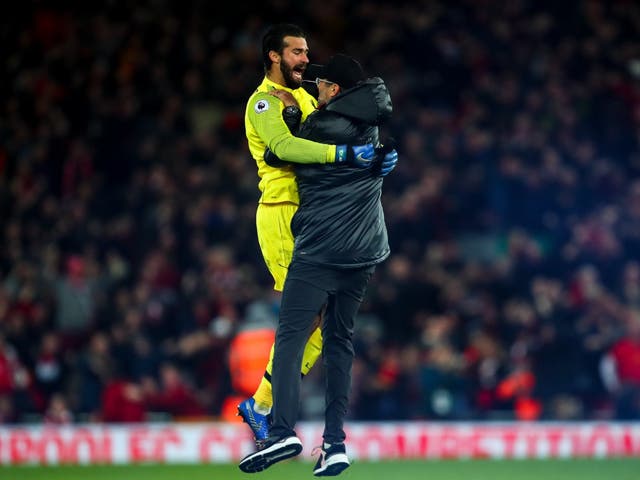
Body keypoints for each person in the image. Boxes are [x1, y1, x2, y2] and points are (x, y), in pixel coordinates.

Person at [239, 54, 396, 476]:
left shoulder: (322, 125)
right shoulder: (372, 123)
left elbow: (281, 153)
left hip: (321, 249)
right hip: (365, 251)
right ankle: (335, 443)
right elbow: (375, 161)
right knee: (339, 341)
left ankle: (279, 428)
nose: (314, 89)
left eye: (322, 84)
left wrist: (287, 117)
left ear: (336, 91)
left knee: (291, 335)